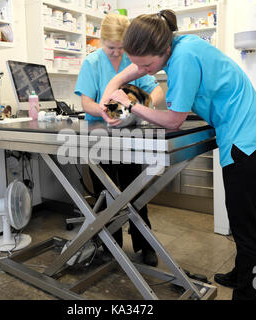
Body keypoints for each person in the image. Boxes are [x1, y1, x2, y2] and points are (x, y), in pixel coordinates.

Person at [99, 10, 256, 300]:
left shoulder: (182, 59)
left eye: (147, 65)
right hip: (254, 134)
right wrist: (110, 99)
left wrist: (130, 107)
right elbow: (126, 73)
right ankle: (241, 273)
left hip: (248, 142)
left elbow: (173, 120)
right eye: (139, 64)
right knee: (241, 219)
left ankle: (248, 293)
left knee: (246, 229)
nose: (143, 70)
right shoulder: (175, 45)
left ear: (162, 51)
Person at [74, 13, 165, 267]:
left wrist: (143, 103)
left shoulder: (132, 61)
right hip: (101, 135)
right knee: (106, 192)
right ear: (101, 41)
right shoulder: (92, 63)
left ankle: (145, 244)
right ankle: (109, 246)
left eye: (120, 47)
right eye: (110, 47)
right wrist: (105, 111)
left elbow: (156, 88)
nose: (116, 53)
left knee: (134, 191)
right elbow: (86, 103)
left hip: (129, 136)